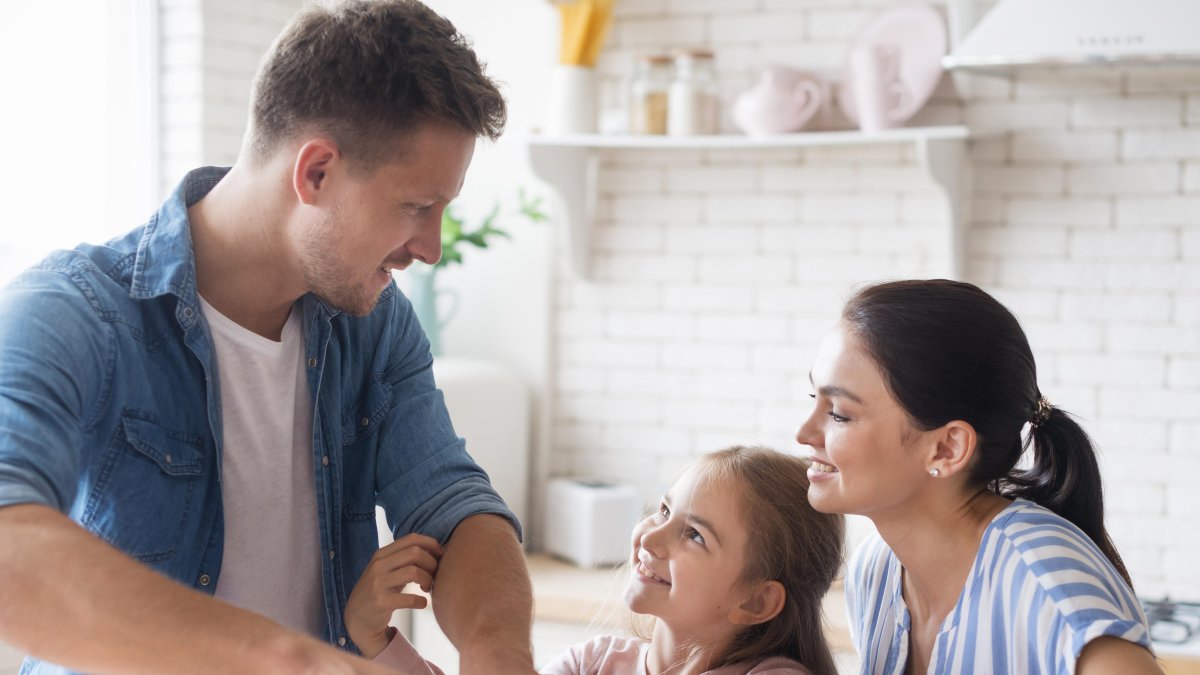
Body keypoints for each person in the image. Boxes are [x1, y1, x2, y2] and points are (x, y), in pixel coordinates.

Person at [0, 2, 534, 673]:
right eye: (417, 207)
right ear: (316, 172)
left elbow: (453, 506)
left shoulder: (375, 323)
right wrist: (294, 661)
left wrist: (498, 653)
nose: (431, 248)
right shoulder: (72, 314)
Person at [796, 279, 1161, 675]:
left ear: (947, 448)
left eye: (839, 414)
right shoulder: (876, 571)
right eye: (815, 399)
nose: (804, 433)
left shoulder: (1046, 582)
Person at [533, 446, 845, 675]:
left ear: (756, 601)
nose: (650, 539)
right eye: (664, 511)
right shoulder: (589, 663)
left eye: (695, 535)